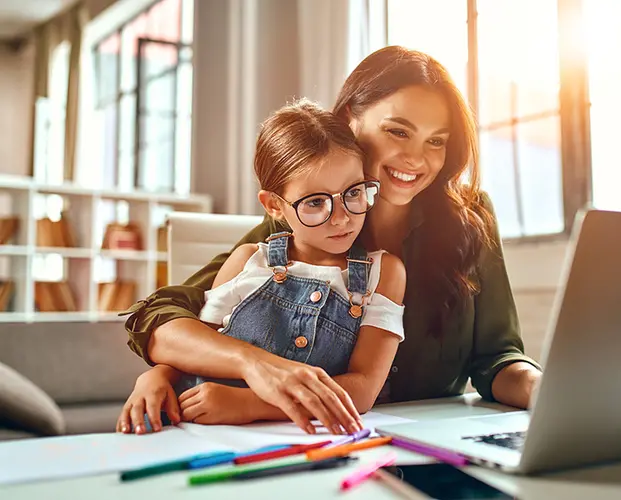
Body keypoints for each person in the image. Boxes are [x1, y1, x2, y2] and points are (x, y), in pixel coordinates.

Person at [118, 46, 542, 436]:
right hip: (314, 438)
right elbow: (163, 314)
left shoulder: (471, 215)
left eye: (436, 141)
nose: (417, 159)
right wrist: (245, 368)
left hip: (435, 438)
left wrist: (544, 389)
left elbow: (497, 358)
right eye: (397, 132)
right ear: (348, 123)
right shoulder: (306, 221)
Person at [117, 100, 406, 435]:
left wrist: (249, 406)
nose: (342, 217)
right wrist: (156, 375)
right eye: (315, 202)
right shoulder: (247, 260)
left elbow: (364, 388)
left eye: (353, 192)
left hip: (291, 439)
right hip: (197, 431)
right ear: (274, 206)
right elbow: (198, 346)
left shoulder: (383, 274)